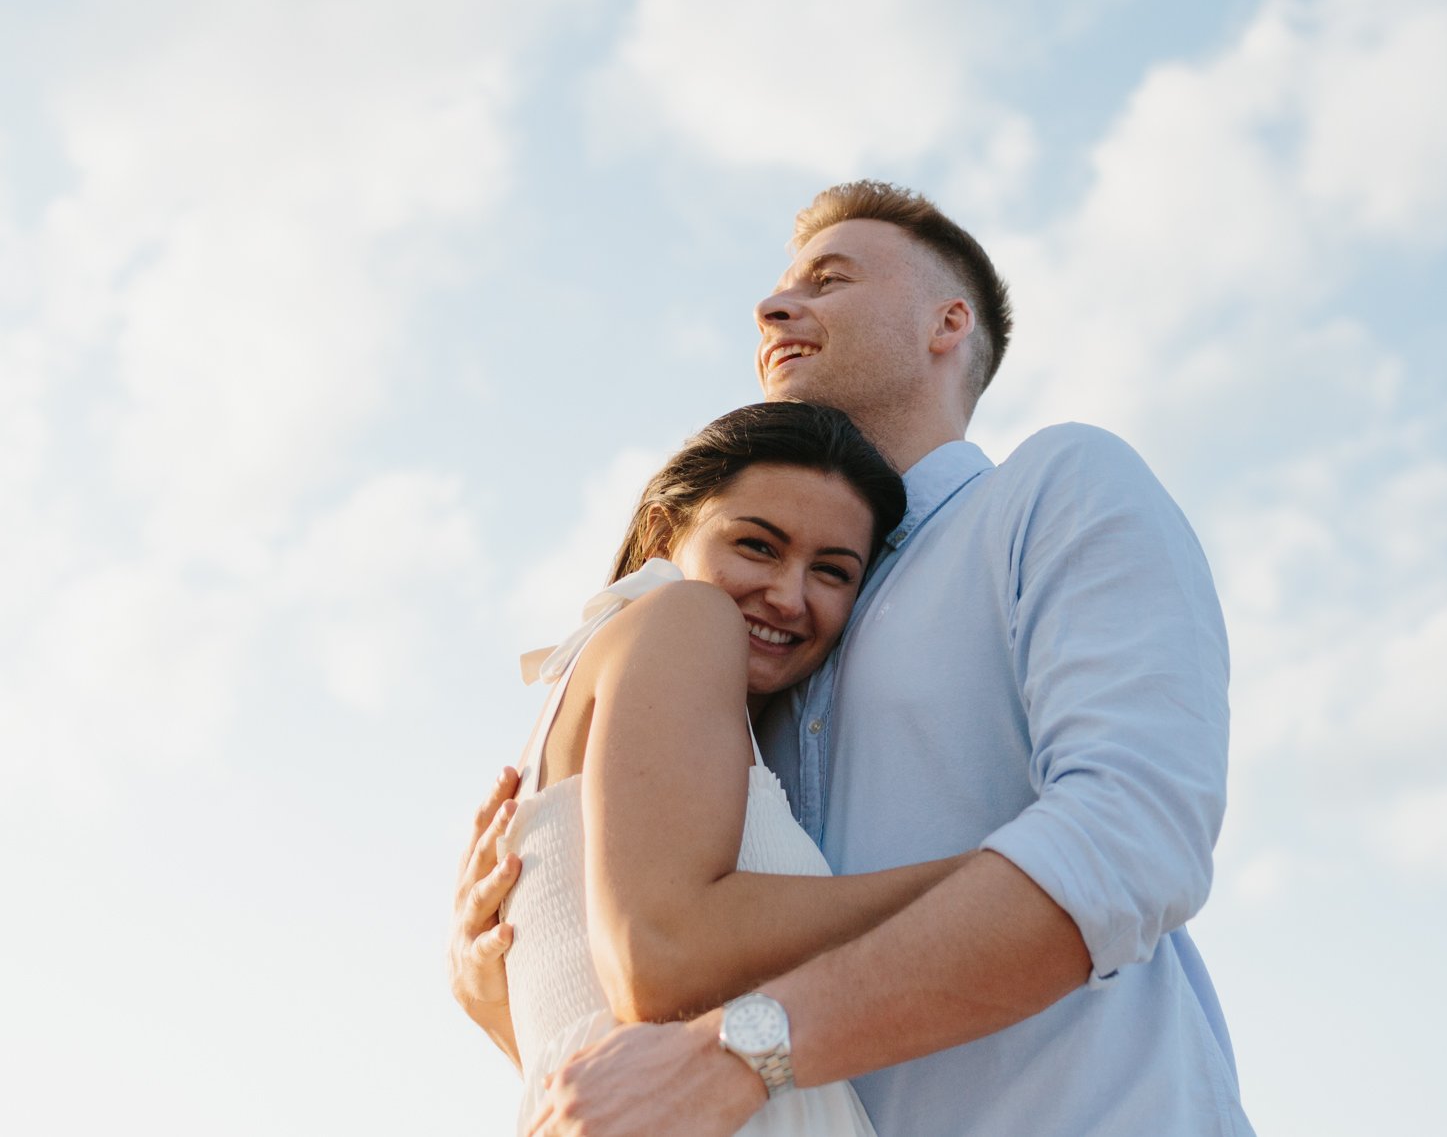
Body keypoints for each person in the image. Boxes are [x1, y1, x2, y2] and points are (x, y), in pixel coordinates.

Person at [456, 181, 1252, 1137]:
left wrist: (744, 1051)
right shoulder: (757, 642)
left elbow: (1135, 836)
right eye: (781, 288)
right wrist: (518, 978)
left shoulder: (1058, 488)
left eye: (829, 280)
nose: (774, 307)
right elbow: (664, 987)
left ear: (947, 321)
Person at [475, 400, 979, 1135]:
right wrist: (996, 880)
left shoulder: (618, 697)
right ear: (661, 532)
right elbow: (662, 953)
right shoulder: (684, 615)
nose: (789, 593)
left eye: (833, 571)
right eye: (758, 545)